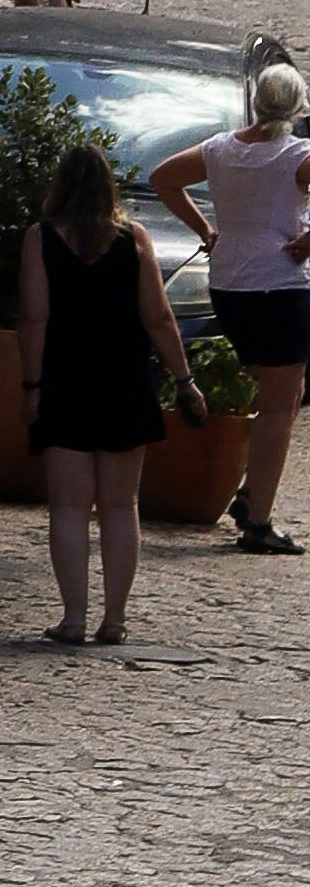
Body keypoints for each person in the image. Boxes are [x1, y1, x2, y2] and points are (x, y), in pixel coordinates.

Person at [16, 137, 196, 645]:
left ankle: (73, 617)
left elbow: (34, 318)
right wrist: (184, 378)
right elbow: (158, 317)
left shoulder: (40, 239)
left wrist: (31, 386)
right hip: (124, 380)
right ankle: (114, 619)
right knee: (121, 504)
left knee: (70, 505)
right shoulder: (134, 238)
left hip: (65, 380)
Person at [151, 54, 310, 551]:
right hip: (280, 283)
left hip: (229, 284)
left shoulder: (219, 149)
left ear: (255, 102)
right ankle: (257, 515)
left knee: (269, 391)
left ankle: (251, 494)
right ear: (299, 106)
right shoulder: (297, 155)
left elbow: (163, 178)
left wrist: (205, 229)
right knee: (282, 404)